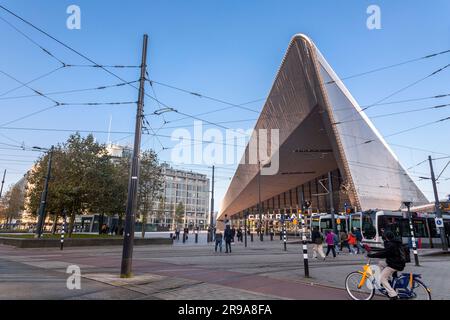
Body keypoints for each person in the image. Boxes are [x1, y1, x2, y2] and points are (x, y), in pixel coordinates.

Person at [367, 231, 406, 300]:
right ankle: (387, 281)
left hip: (394, 265)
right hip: (398, 263)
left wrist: (371, 255)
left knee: (382, 278)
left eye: (384, 238)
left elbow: (384, 253)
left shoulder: (391, 244)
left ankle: (393, 295)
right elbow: (385, 251)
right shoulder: (394, 242)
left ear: (386, 238)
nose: (383, 240)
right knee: (381, 263)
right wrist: (374, 251)